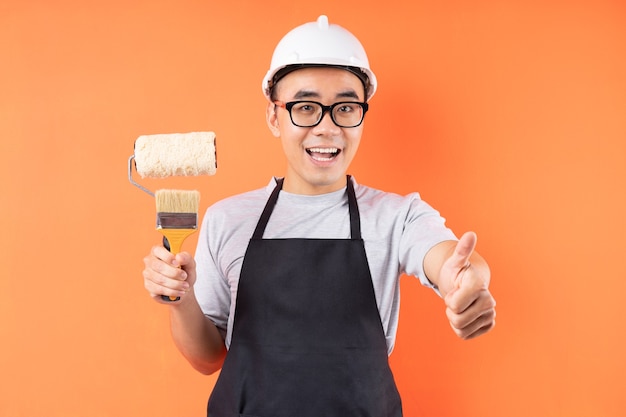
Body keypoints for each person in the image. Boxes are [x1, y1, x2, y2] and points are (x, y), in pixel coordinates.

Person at [142, 15, 496, 417]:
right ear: (274, 117)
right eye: (305, 107)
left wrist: (466, 282)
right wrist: (179, 298)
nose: (327, 128)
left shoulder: (398, 216)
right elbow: (207, 359)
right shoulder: (228, 219)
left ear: (362, 115)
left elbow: (452, 262)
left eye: (345, 108)